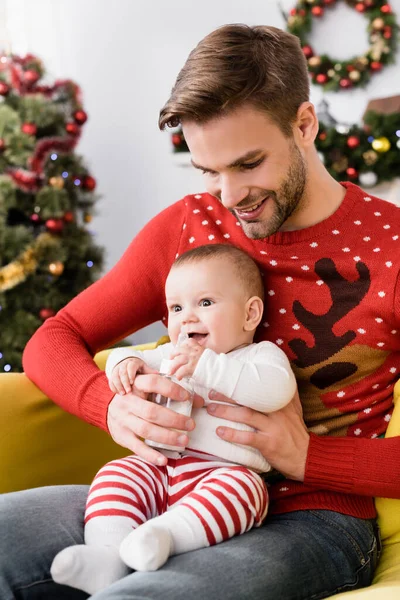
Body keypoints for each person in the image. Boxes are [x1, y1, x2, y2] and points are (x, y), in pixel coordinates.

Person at [1, 22, 398, 600]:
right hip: (166, 485)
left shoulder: (390, 247)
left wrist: (308, 455)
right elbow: (54, 337)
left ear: (304, 125)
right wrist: (110, 408)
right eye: (208, 170)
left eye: (248, 163)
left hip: (314, 520)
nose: (229, 197)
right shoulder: (190, 224)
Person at [50, 244, 296, 595]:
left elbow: (276, 392)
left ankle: (164, 536)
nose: (187, 317)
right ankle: (106, 558)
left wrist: (206, 364)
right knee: (116, 473)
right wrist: (126, 366)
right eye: (177, 308)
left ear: (250, 314)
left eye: (205, 303)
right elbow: (125, 353)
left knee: (248, 492)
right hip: (161, 467)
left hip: (222, 473)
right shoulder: (171, 354)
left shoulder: (259, 355)